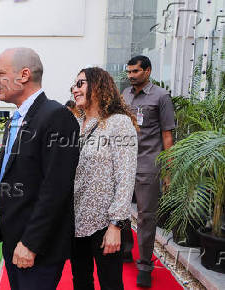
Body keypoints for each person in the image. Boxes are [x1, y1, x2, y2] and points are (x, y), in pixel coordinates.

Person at [0, 48, 80, 289]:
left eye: (0, 73)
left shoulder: (57, 116)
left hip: (35, 247)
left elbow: (56, 189)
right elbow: (11, 174)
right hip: (13, 241)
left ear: (24, 75)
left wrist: (31, 243)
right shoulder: (17, 118)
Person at [70, 67, 138, 290]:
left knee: (110, 284)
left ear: (98, 87)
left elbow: (126, 176)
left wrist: (116, 225)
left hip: (104, 222)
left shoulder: (119, 123)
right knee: (81, 282)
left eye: (80, 84)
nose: (74, 89)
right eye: (74, 85)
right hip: (76, 221)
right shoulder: (78, 124)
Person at [121, 55, 175, 288]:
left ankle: (144, 265)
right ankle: (125, 250)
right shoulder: (125, 95)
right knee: (120, 210)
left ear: (148, 71)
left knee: (145, 217)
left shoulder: (161, 97)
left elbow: (167, 134)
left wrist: (167, 171)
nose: (131, 76)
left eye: (135, 71)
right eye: (129, 72)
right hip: (124, 162)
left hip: (148, 165)